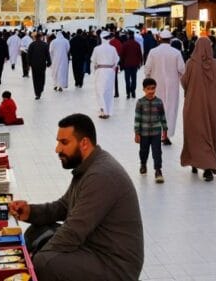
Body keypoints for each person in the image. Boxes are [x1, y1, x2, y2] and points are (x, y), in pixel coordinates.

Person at [9, 114, 143, 281]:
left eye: (64, 143)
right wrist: (30, 212)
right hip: (93, 249)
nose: (57, 149)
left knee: (45, 262)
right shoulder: (87, 166)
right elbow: (63, 207)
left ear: (84, 143)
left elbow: (74, 231)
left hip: (114, 265)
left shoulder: (101, 176)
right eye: (58, 142)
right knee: (36, 230)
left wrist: (36, 259)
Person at [180, 36, 216, 182]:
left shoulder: (191, 63)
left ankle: (195, 161)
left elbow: (184, 82)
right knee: (210, 133)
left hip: (193, 104)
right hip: (212, 106)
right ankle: (208, 167)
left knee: (194, 132)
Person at [142, 30, 186, 144]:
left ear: (159, 39)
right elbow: (182, 70)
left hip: (155, 85)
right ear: (170, 39)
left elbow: (147, 69)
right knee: (170, 109)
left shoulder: (153, 52)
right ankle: (166, 135)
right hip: (172, 86)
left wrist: (148, 79)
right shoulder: (176, 52)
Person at [134, 78, 169, 183]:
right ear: (143, 89)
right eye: (148, 89)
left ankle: (158, 171)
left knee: (157, 152)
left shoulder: (159, 102)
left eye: (153, 88)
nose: (151, 91)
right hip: (144, 133)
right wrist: (137, 133)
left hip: (156, 133)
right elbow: (137, 118)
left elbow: (163, 117)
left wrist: (165, 130)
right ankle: (143, 164)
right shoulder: (140, 102)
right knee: (143, 151)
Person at [92, 32, 120, 118]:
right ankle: (107, 111)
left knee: (100, 91)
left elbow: (93, 60)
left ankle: (103, 110)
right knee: (108, 91)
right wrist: (113, 67)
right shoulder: (113, 48)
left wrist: (95, 69)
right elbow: (117, 59)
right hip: (110, 72)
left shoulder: (97, 49)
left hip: (100, 71)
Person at [29, 32, 53, 99]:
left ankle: (37, 93)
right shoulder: (44, 45)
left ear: (35, 37)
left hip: (34, 64)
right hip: (42, 64)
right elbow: (47, 54)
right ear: (41, 37)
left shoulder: (32, 44)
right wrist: (49, 62)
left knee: (35, 78)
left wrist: (29, 63)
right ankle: (41, 88)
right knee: (42, 77)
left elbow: (29, 55)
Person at [120, 31, 143, 99]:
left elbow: (122, 55)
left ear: (128, 36)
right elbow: (140, 55)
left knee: (127, 79)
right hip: (135, 64)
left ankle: (128, 93)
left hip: (127, 64)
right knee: (134, 79)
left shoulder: (125, 44)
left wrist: (121, 64)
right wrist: (140, 63)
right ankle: (133, 92)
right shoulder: (137, 44)